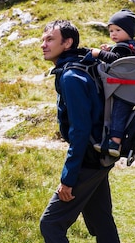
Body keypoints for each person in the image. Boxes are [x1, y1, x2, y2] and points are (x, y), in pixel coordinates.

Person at [40, 20, 120, 243]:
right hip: (100, 155)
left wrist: (68, 179)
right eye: (43, 40)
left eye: (50, 39)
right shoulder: (81, 65)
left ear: (67, 43)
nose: (43, 45)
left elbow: (80, 131)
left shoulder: (71, 77)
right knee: (101, 221)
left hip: (89, 158)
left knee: (51, 224)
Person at [90, 9, 135, 157]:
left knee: (118, 113)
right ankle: (113, 140)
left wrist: (99, 53)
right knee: (118, 113)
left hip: (125, 89)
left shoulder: (125, 47)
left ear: (129, 31)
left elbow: (117, 59)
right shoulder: (128, 46)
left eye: (118, 30)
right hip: (125, 87)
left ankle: (114, 143)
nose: (113, 34)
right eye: (111, 30)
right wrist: (109, 49)